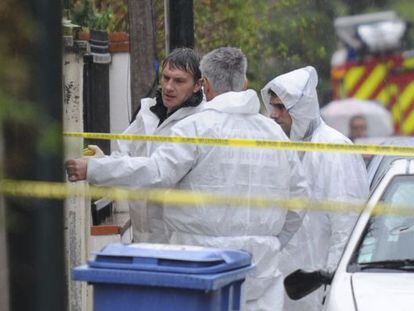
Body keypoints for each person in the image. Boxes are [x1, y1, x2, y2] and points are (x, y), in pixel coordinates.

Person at [66, 47, 309, 311]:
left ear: (203, 84)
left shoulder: (196, 128)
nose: (169, 86)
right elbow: (299, 199)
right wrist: (270, 241)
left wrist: (93, 169)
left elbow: (156, 172)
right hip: (261, 268)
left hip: (199, 265)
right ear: (243, 82)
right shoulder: (274, 133)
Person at [261, 66, 369, 311]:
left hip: (318, 285)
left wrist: (332, 282)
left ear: (301, 110)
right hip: (285, 283)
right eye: (272, 107)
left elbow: (346, 224)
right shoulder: (284, 150)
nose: (273, 115)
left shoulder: (335, 150)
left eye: (281, 107)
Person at [84, 47, 204, 243]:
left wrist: (99, 168)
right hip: (141, 236)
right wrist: (101, 162)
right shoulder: (147, 112)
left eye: (179, 81)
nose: (168, 87)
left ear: (198, 84)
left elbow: (156, 173)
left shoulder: (201, 122)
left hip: (179, 243)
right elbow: (126, 157)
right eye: (166, 78)